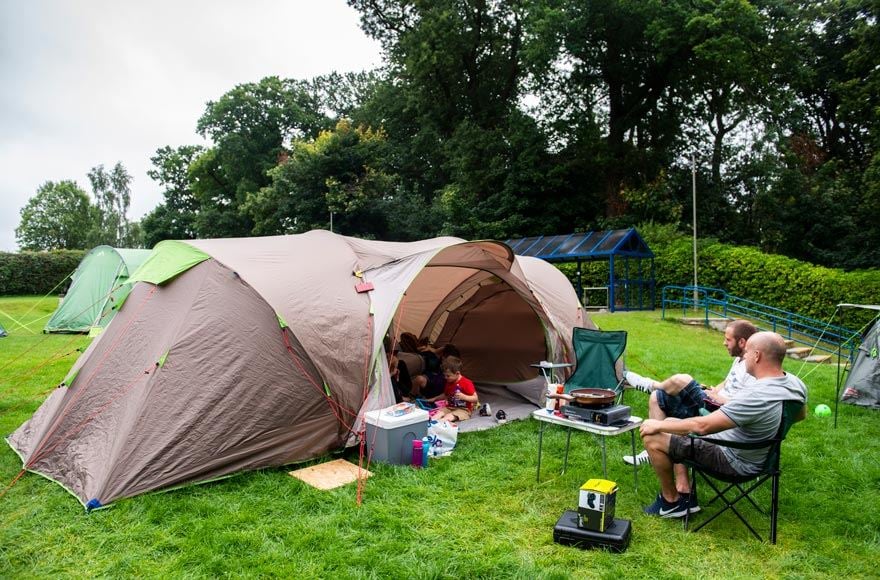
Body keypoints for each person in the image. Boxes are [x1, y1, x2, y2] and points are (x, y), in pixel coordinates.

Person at [638, 331, 807, 518]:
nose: (744, 356)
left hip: (734, 460)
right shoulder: (795, 384)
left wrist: (656, 425)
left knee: (654, 436)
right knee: (671, 422)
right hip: (764, 457)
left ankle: (671, 502)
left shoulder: (756, 395)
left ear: (757, 356)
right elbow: (799, 415)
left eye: (747, 352)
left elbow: (702, 427)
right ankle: (683, 491)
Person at [622, 320, 759, 466]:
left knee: (682, 380)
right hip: (712, 401)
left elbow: (743, 406)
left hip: (719, 412)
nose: (724, 343)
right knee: (657, 398)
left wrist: (718, 398)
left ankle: (651, 385)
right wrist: (713, 390)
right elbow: (727, 382)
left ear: (742, 342)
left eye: (728, 339)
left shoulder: (752, 369)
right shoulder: (739, 360)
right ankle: (652, 451)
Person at [427, 356, 478, 422]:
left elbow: (475, 399)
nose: (445, 377)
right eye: (444, 375)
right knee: (438, 413)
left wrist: (464, 397)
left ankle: (439, 424)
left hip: (463, 409)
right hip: (450, 407)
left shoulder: (466, 383)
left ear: (457, 373)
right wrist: (434, 399)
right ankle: (430, 422)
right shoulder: (449, 382)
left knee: (448, 416)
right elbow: (445, 395)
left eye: (448, 376)